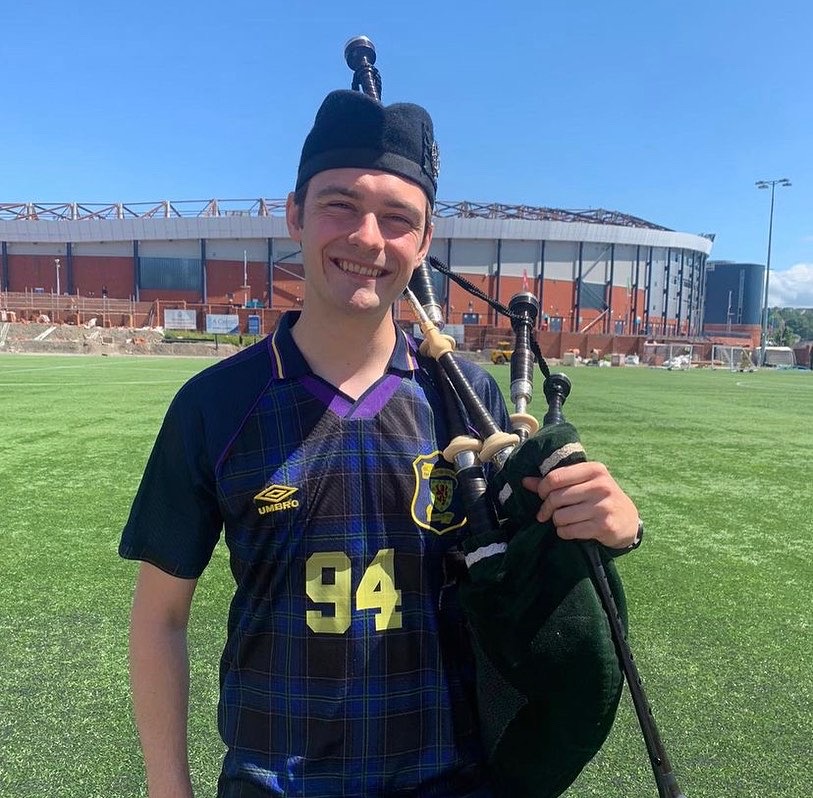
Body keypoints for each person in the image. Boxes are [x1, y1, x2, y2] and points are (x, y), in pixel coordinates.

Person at [120, 88, 640, 798]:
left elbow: (525, 581)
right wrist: (166, 786)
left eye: (398, 220)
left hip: (448, 779)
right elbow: (160, 617)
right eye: (340, 204)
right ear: (294, 215)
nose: (367, 238)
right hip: (273, 781)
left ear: (423, 244)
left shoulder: (467, 397)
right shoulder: (215, 404)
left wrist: (605, 525)